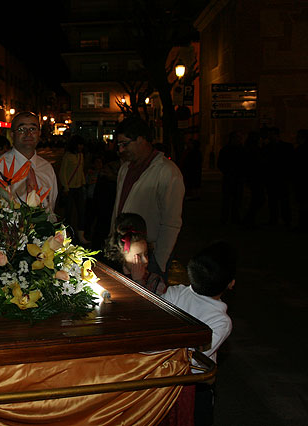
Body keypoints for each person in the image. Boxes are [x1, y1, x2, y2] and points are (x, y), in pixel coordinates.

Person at [161, 241, 236, 426]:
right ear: (231, 283)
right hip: (195, 386)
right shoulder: (221, 321)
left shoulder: (174, 293)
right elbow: (197, 359)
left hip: (161, 380)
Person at [111, 117, 184, 279]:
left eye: (125, 144)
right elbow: (118, 208)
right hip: (124, 251)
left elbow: (171, 222)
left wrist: (159, 261)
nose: (121, 150)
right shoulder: (125, 169)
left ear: (142, 139)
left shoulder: (167, 171)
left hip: (149, 256)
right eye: (119, 145)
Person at [0, 112, 58, 211]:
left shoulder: (47, 168)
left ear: (39, 133)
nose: (28, 133)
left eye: (33, 129)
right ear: (12, 135)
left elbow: (51, 207)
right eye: (21, 129)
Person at [105, 213, 166, 295]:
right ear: (121, 257)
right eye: (138, 256)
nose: (146, 260)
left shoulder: (155, 282)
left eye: (146, 254)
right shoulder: (113, 278)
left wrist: (139, 282)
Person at [59, 135, 89, 244]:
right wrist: (65, 187)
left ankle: (81, 235)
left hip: (79, 187)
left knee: (81, 212)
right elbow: (62, 173)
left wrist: (83, 183)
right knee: (68, 213)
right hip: (70, 188)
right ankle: (68, 234)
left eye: (82, 144)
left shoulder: (81, 155)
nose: (81, 146)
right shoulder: (67, 156)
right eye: (79, 144)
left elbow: (80, 171)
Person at [217, 130, 245, 225]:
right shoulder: (227, 150)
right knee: (227, 200)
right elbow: (220, 164)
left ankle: (234, 218)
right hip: (230, 178)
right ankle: (225, 218)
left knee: (236, 200)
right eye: (238, 137)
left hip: (237, 178)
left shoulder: (241, 149)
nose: (239, 140)